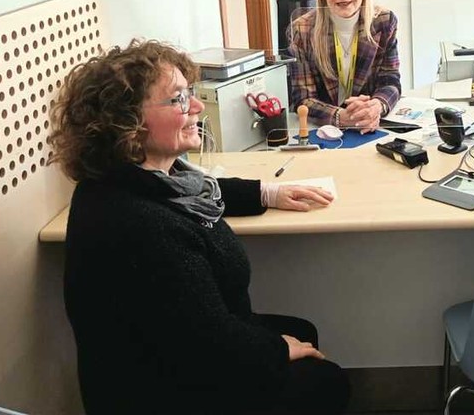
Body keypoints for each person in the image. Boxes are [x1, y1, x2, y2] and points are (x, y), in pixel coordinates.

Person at [50, 40, 350, 415]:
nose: (196, 106)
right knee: (327, 381)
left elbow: (197, 189)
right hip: (165, 390)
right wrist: (275, 349)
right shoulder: (142, 226)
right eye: (178, 99)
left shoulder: (127, 180)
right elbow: (208, 344)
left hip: (170, 354)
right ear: (128, 123)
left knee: (302, 332)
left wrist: (267, 193)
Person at [287, 0, 401, 132]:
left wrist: (377, 106)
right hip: (324, 129)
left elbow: (390, 81)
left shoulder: (384, 22)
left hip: (369, 126)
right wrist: (340, 117)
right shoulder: (302, 29)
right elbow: (303, 98)